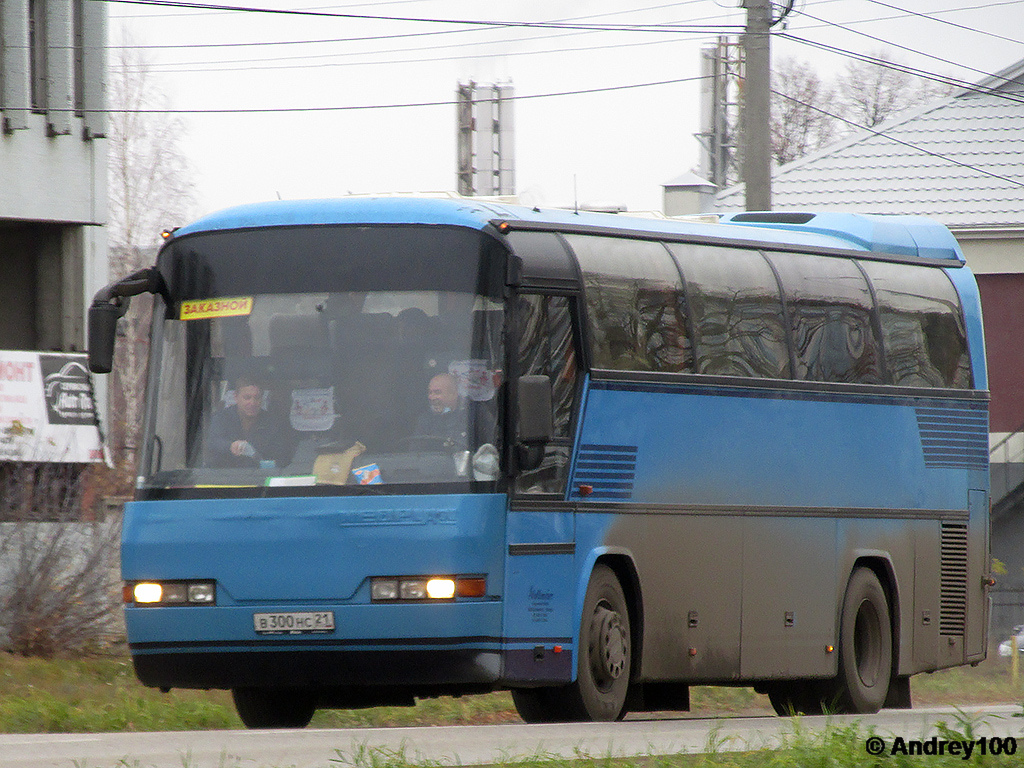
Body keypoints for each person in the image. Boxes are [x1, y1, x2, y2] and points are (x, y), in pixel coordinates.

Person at [206, 376, 295, 468]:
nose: (252, 403)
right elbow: (212, 441)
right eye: (247, 398)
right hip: (222, 477)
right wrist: (230, 446)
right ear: (236, 397)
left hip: (260, 477)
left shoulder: (273, 423)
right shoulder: (221, 418)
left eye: (257, 398)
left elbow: (283, 456)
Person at [411, 373, 467, 451]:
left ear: (453, 394)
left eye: (437, 392)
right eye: (430, 392)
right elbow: (415, 452)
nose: (431, 397)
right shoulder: (425, 420)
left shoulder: (471, 418)